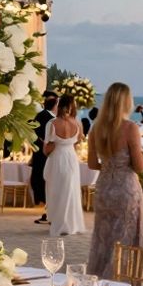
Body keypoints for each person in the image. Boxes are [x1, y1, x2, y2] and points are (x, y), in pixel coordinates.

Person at [85, 82, 143, 278]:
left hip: (104, 188)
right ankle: (121, 283)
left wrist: (110, 166)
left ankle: (98, 279)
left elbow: (92, 163)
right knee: (125, 239)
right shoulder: (130, 128)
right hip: (125, 189)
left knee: (103, 239)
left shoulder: (96, 128)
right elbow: (139, 166)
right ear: (126, 102)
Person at [42, 95, 86, 235]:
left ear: (59, 105)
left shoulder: (52, 123)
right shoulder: (78, 123)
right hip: (71, 158)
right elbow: (78, 140)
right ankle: (70, 223)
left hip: (57, 158)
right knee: (71, 190)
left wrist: (54, 144)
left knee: (56, 190)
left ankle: (57, 222)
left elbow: (47, 150)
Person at [29, 92, 59, 208]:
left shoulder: (41, 114)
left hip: (38, 149)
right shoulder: (50, 118)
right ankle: (42, 198)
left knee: (37, 172)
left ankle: (39, 198)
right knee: (42, 173)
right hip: (44, 150)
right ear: (55, 105)